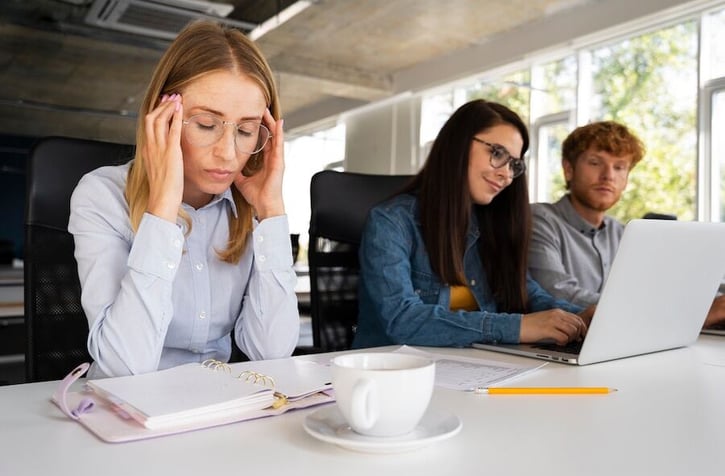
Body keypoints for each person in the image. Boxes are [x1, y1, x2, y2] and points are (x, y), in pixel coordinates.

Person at [69, 21, 299, 379]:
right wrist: (161, 211)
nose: (227, 152)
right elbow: (123, 367)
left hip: (216, 402)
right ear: (163, 118)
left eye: (245, 130)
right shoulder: (101, 195)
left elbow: (270, 352)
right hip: (124, 412)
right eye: (207, 124)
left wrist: (272, 212)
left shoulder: (248, 205)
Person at [352, 99, 590, 350]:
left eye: (514, 164)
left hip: (471, 366)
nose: (507, 174)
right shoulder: (391, 222)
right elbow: (402, 320)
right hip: (394, 372)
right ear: (458, 145)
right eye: (497, 153)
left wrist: (582, 316)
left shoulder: (491, 224)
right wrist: (518, 327)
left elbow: (529, 294)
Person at [527, 121, 644, 307]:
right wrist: (641, 307)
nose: (608, 176)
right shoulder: (539, 220)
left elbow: (644, 291)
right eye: (595, 163)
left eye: (620, 167)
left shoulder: (624, 234)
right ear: (568, 170)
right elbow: (557, 292)